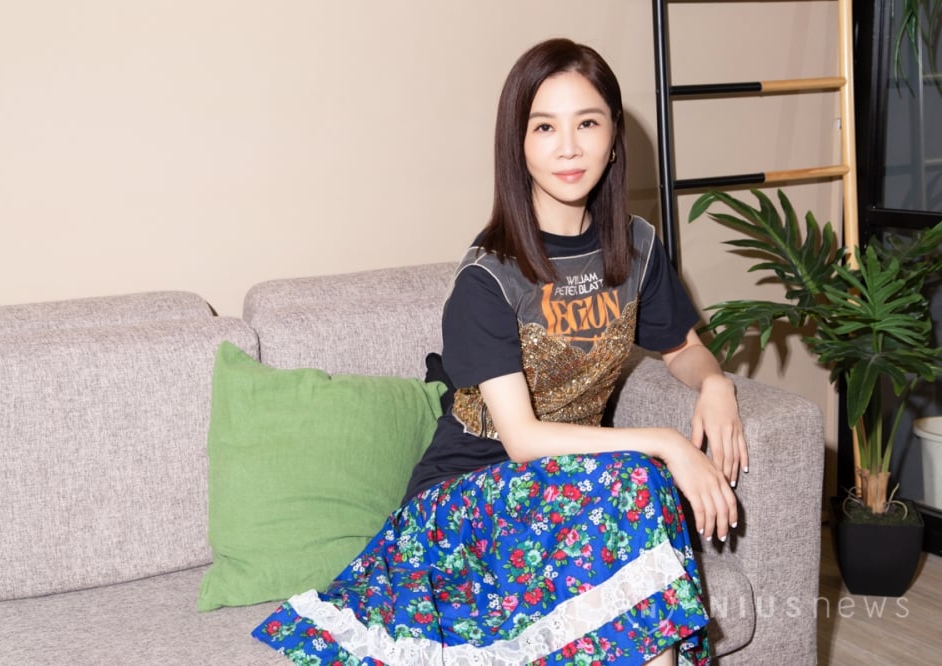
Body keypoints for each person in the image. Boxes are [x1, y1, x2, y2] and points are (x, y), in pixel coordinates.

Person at [253, 37, 748, 665]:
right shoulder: (488, 277)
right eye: (544, 127)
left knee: (631, 487)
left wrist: (715, 383)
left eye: (587, 123)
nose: (568, 147)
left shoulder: (636, 248)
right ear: (518, 143)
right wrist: (669, 442)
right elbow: (522, 439)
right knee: (638, 476)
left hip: (570, 490)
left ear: (613, 138)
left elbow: (682, 348)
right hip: (463, 504)